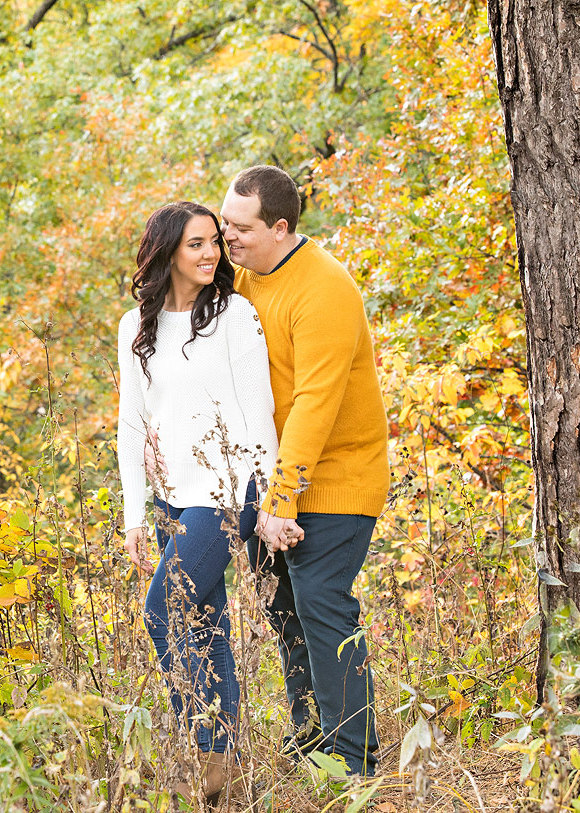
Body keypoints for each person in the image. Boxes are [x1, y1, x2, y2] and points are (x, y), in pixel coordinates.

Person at [222, 165, 390, 776]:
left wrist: (281, 500)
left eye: (240, 228)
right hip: (274, 477)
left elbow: (315, 405)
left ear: (280, 227)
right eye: (224, 224)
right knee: (283, 604)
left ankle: (355, 761)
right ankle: (313, 735)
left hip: (338, 473)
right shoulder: (242, 276)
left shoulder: (323, 290)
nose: (228, 237)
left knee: (321, 599)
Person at [117, 201, 278, 804]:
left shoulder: (234, 315)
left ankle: (208, 746)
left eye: (215, 241)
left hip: (223, 494)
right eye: (196, 245)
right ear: (167, 254)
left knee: (165, 610)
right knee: (205, 625)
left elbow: (257, 412)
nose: (212, 253)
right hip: (169, 500)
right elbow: (132, 425)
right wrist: (136, 514)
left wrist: (263, 495)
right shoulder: (136, 326)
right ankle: (221, 768)